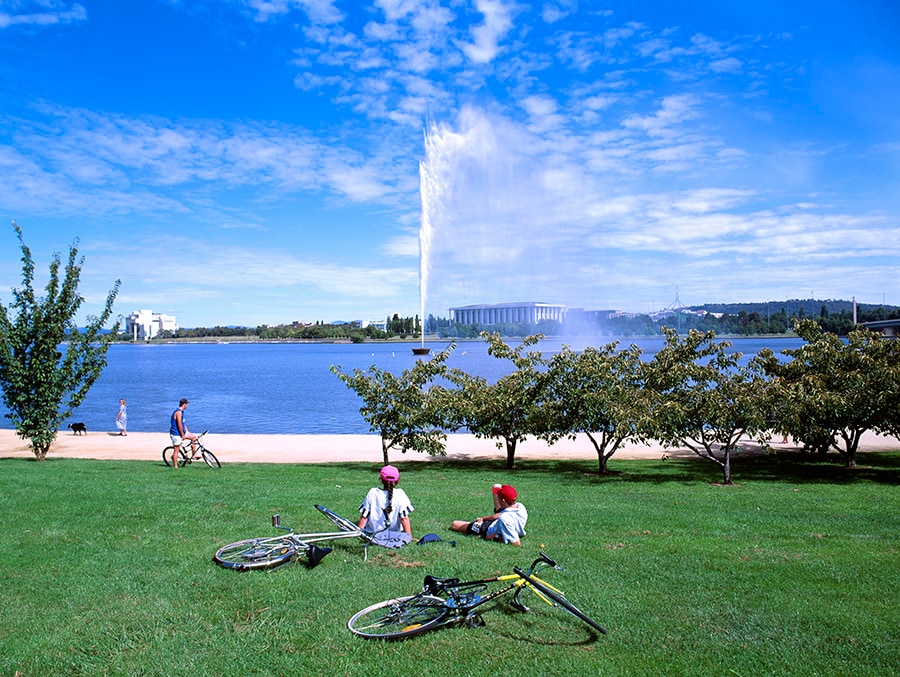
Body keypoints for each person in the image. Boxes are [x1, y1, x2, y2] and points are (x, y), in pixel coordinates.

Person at [450, 484, 527, 546]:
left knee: (455, 524)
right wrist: (484, 518)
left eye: (499, 498)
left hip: (487, 528)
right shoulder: (520, 506)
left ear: (503, 501)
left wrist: (495, 536)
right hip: (498, 522)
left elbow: (516, 543)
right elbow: (500, 515)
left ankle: (473, 527)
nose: (497, 499)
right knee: (496, 486)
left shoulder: (505, 519)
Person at [358, 465, 414, 539]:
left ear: (381, 480)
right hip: (394, 535)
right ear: (397, 481)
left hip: (373, 534)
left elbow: (364, 517)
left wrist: (358, 532)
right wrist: (408, 537)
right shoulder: (400, 494)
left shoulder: (373, 492)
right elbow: (404, 519)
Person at [169, 398, 198, 468]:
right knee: (176, 449)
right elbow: (179, 425)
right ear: (184, 404)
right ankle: (175, 466)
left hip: (182, 432)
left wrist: (187, 430)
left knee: (194, 438)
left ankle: (193, 454)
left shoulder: (182, 412)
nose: (187, 406)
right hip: (176, 433)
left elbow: (183, 424)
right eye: (187, 404)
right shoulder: (178, 412)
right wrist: (182, 435)